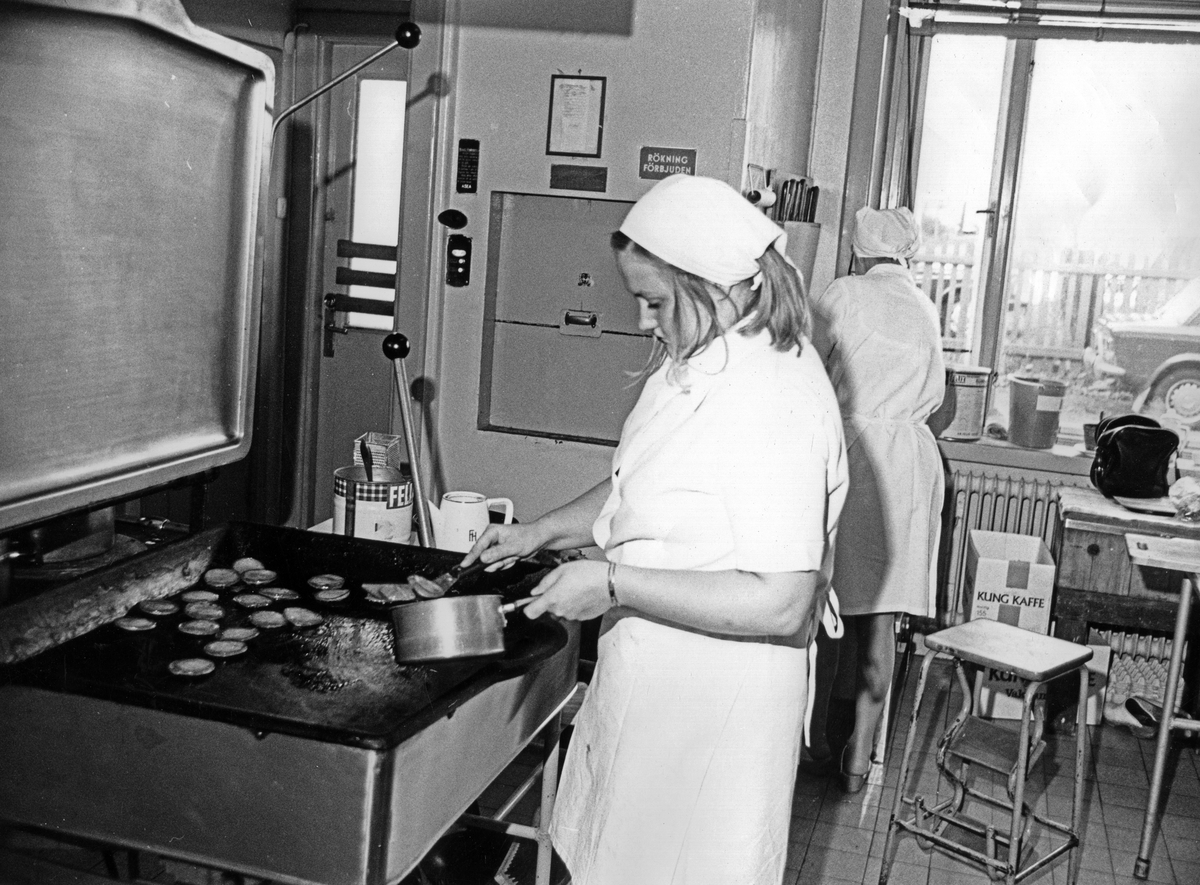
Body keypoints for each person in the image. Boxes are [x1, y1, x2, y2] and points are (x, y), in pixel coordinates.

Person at [461, 174, 848, 885]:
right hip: (654, 684)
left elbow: (782, 600)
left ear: (716, 286)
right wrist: (539, 532)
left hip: (713, 710)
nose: (643, 322)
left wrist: (611, 584)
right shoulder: (699, 357)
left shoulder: (774, 399)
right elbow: (635, 488)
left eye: (656, 302)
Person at [804, 206, 946, 793]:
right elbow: (940, 400)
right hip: (909, 465)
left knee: (824, 606)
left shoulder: (844, 292)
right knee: (881, 620)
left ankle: (812, 742)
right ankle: (859, 757)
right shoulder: (924, 305)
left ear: (859, 252)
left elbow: (808, 371)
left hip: (855, 457)